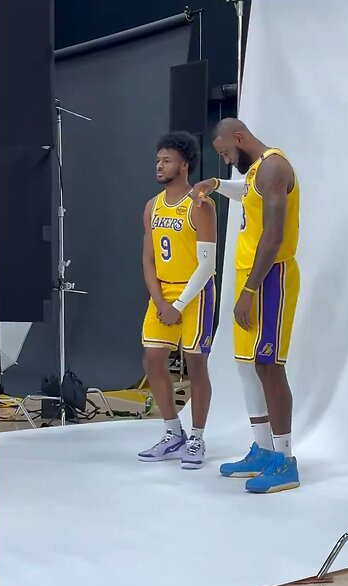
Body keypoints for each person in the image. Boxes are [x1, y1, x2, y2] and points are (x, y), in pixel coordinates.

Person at [190, 118, 301, 493]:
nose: (224, 160)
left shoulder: (273, 166)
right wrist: (218, 185)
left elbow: (274, 234)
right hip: (250, 275)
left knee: (269, 364)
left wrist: (250, 290)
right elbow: (247, 191)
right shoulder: (256, 171)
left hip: (270, 278)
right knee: (247, 364)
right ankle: (264, 449)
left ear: (238, 138)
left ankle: (285, 460)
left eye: (224, 153)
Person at [137, 131, 218, 469]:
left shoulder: (200, 204)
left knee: (196, 364)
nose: (159, 165)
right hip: (164, 293)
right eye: (158, 160)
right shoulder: (152, 206)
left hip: (196, 292)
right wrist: (159, 300)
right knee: (152, 360)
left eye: (166, 160)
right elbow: (148, 258)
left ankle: (197, 437)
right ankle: (173, 433)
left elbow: (208, 265)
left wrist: (178, 305)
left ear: (184, 164)